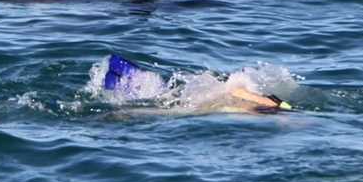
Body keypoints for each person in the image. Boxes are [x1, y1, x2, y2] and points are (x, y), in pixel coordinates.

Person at [103, 54, 292, 114]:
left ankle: (136, 91)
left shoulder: (278, 108)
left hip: (212, 101)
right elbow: (237, 90)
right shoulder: (277, 109)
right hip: (211, 101)